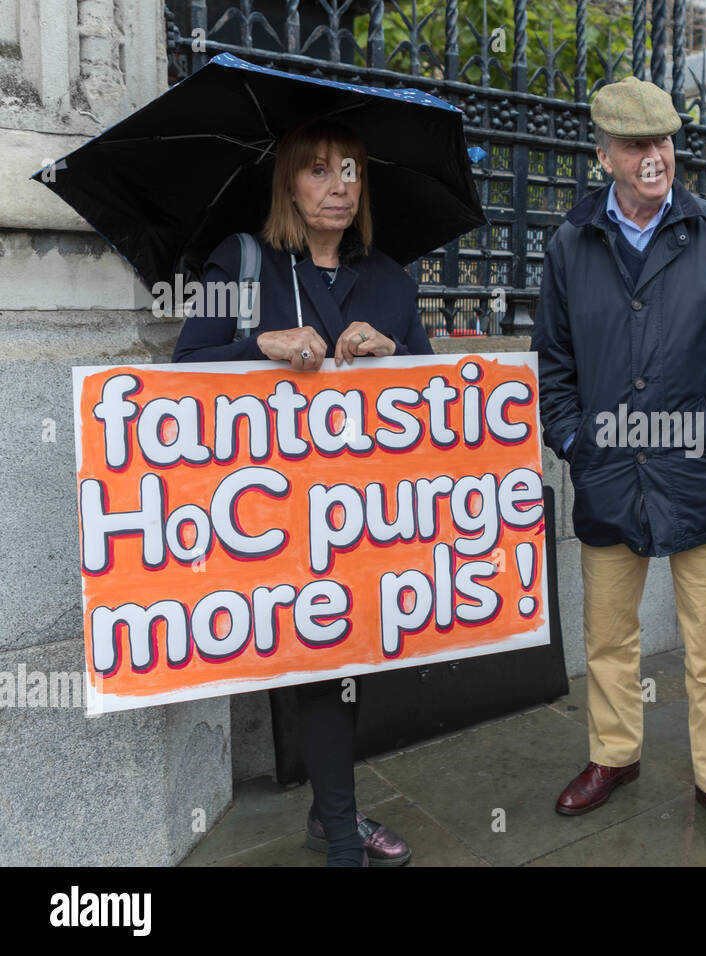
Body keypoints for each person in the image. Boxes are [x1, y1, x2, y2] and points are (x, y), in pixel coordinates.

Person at [531, 76, 706, 852]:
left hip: (702, 473)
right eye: (637, 144)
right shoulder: (572, 243)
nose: (655, 157)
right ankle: (615, 755)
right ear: (603, 153)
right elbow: (554, 365)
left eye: (664, 141)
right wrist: (576, 442)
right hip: (610, 476)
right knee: (607, 638)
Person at [173, 118, 428, 866]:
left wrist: (393, 359)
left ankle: (330, 815)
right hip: (266, 518)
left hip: (362, 518)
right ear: (289, 182)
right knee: (323, 666)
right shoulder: (243, 262)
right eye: (319, 171)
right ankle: (342, 836)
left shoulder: (388, 278)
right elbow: (182, 369)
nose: (339, 186)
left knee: (341, 665)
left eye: (351, 170)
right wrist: (258, 346)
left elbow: (437, 400)